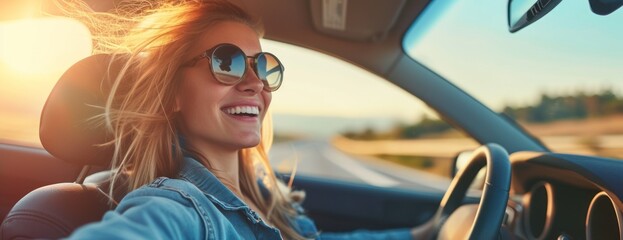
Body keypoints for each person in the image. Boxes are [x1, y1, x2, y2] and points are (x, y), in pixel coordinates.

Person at [58, 0, 422, 239]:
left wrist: (426, 233)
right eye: (226, 62)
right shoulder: (180, 206)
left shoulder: (264, 196)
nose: (255, 84)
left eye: (264, 66)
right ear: (173, 95)